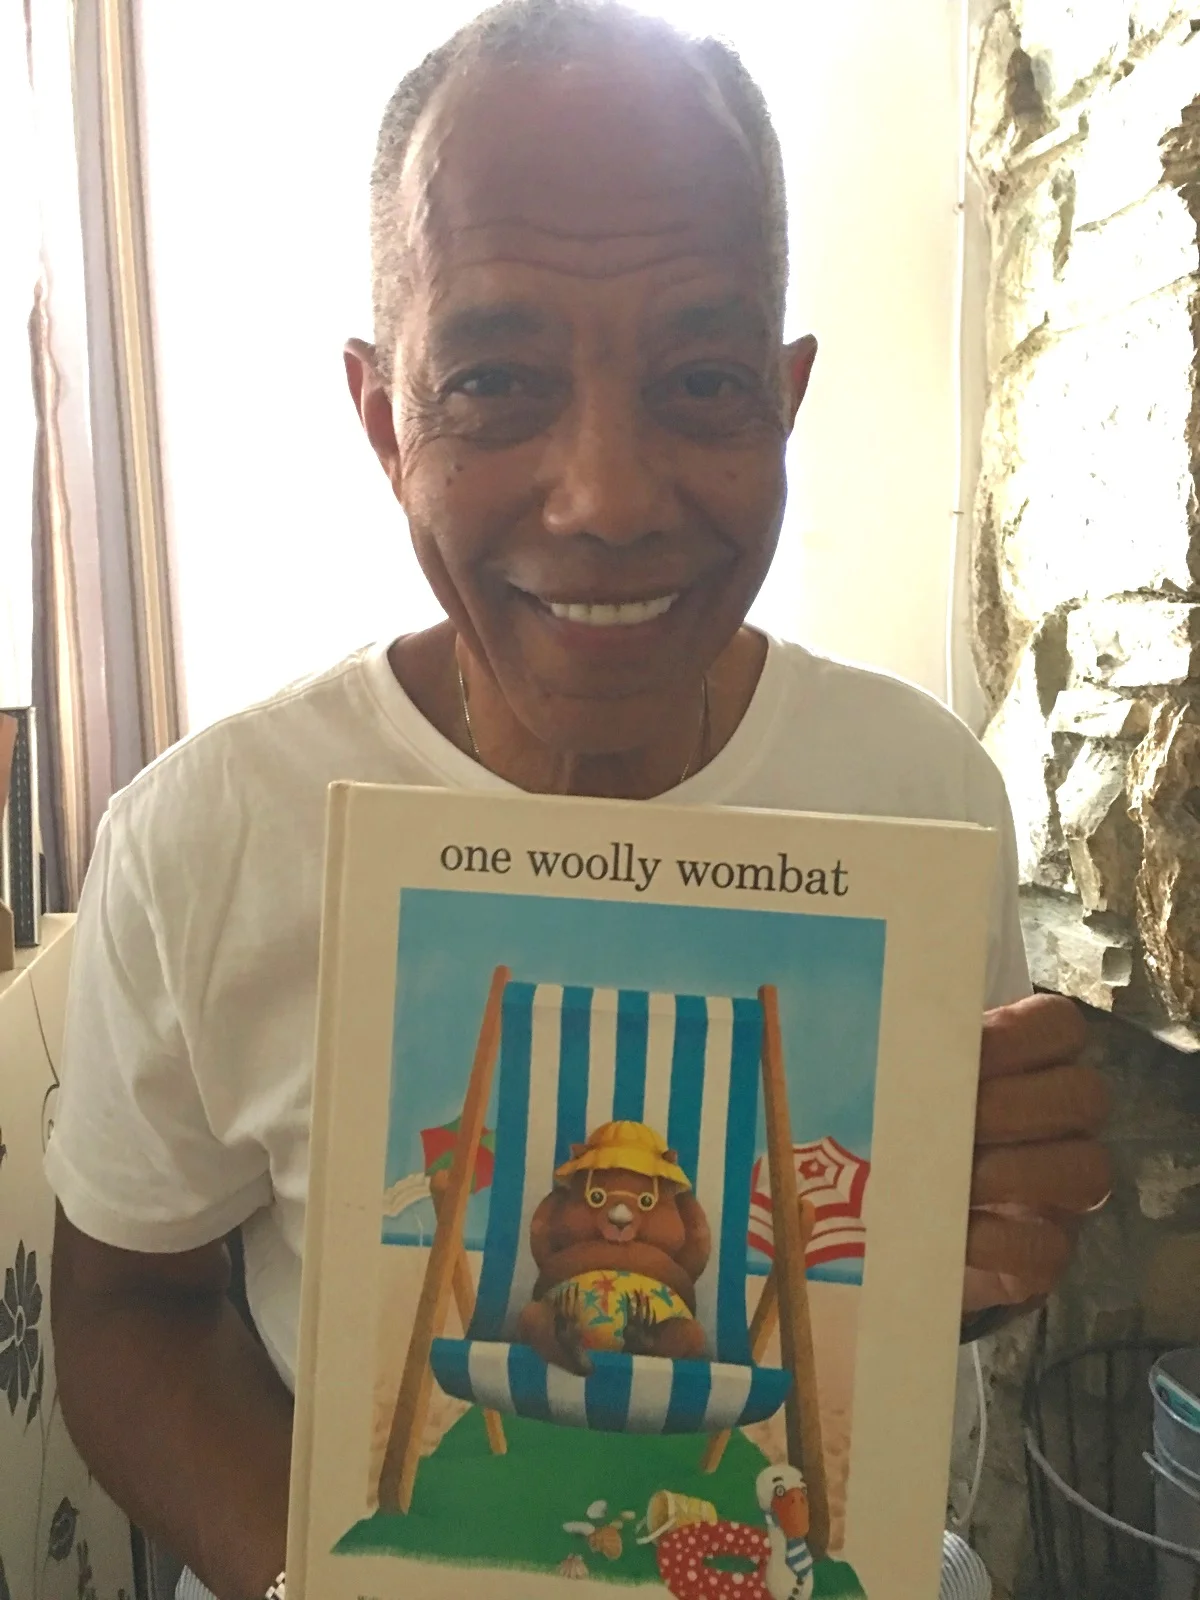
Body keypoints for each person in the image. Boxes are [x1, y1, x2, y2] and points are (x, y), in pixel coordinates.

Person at [45, 4, 1111, 1598]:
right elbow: (129, 1309)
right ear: (384, 420)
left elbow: (903, 1286)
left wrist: (991, 1244)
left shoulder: (919, 799)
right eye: (492, 380)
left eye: (702, 379)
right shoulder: (212, 836)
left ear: (785, 399)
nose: (606, 497)